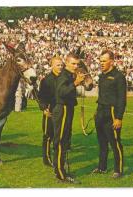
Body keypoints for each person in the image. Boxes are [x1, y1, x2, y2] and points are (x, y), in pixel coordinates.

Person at [92, 50, 126, 179]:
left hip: (112, 113)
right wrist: (97, 111)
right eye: (100, 61)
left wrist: (119, 117)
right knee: (102, 143)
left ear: (111, 61)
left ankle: (118, 170)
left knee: (115, 142)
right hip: (100, 111)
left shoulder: (118, 77)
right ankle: (102, 167)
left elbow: (122, 99)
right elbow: (101, 96)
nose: (101, 63)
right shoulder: (101, 76)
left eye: (104, 61)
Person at [52, 53, 85, 183]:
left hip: (67, 109)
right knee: (60, 141)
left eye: (77, 64)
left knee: (65, 140)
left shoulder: (69, 75)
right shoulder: (63, 75)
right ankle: (60, 174)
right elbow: (61, 92)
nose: (76, 66)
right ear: (66, 63)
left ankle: (61, 170)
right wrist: (76, 83)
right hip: (63, 109)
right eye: (73, 63)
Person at [38, 56, 63, 166]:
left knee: (61, 135)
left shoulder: (65, 78)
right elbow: (41, 97)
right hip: (50, 110)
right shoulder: (46, 80)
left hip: (62, 110)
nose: (61, 67)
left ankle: (59, 157)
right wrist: (44, 109)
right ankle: (47, 159)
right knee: (48, 135)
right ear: (52, 66)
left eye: (62, 65)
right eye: (58, 65)